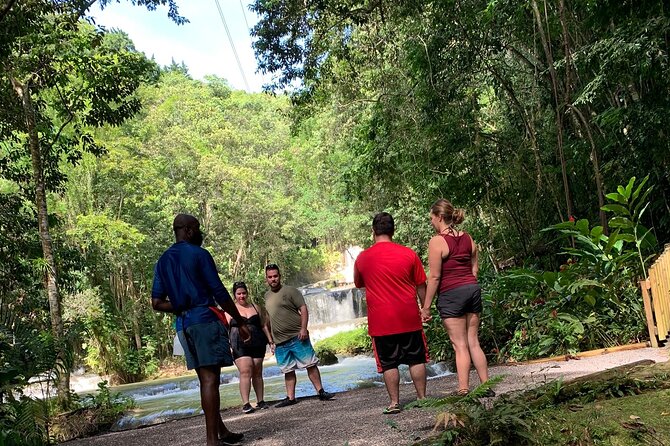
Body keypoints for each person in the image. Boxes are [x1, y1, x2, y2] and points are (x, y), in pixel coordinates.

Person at [152, 214, 251, 446]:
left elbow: (157, 303)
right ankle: (211, 441)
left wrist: (180, 305)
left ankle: (222, 431)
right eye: (197, 228)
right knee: (210, 380)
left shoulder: (163, 260)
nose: (200, 232)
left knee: (204, 379)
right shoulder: (199, 254)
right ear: (187, 230)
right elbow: (218, 291)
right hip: (204, 321)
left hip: (183, 327)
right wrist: (240, 321)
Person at [353, 212, 429, 414]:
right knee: (416, 358)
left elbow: (359, 283)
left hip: (381, 321)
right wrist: (426, 308)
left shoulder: (362, 258)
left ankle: (395, 403)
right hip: (409, 316)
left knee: (388, 363)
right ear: (393, 230)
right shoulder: (408, 254)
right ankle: (422, 398)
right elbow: (421, 285)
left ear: (373, 232)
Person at [420, 199, 493, 397]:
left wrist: (426, 307)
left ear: (440, 217)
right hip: (472, 289)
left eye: (432, 218)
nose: (431, 222)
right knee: (473, 341)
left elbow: (434, 277)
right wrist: (468, 286)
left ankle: (463, 389)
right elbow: (474, 269)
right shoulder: (468, 238)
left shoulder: (437, 242)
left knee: (459, 345)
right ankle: (486, 386)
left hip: (452, 294)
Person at [263, 263, 334, 407]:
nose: (273, 279)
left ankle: (321, 392)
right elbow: (269, 319)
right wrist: (271, 340)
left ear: (280, 276)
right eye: (270, 277)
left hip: (297, 336)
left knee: (310, 365)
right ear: (266, 279)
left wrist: (303, 329)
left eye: (275, 276)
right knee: (288, 371)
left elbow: (303, 308)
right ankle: (290, 398)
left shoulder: (291, 291)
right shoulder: (267, 296)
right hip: (280, 342)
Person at [225, 281, 272, 414]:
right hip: (238, 344)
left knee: (257, 372)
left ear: (247, 293)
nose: (242, 296)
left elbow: (263, 325)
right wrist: (228, 346)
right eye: (239, 294)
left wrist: (270, 341)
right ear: (234, 295)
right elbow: (225, 329)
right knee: (245, 371)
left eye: (244, 293)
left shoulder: (256, 307)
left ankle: (260, 401)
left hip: (257, 342)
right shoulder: (229, 310)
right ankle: (246, 403)